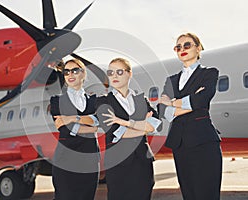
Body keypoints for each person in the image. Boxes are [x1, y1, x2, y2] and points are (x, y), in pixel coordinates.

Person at [158, 32, 222, 200]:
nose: (182, 49)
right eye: (178, 47)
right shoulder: (170, 80)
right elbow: (162, 110)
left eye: (187, 45)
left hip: (204, 141)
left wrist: (172, 103)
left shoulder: (209, 73)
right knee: (189, 194)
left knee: (207, 193)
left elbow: (202, 100)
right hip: (180, 144)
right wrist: (190, 102)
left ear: (198, 48)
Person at [96, 58, 161, 200]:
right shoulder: (103, 101)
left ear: (129, 74)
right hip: (118, 163)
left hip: (142, 161)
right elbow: (117, 133)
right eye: (111, 72)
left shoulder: (141, 100)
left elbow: (155, 125)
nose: (114, 76)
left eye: (119, 72)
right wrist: (143, 126)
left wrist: (125, 123)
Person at [50, 59, 100, 200]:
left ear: (83, 74)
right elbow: (63, 128)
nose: (70, 74)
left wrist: (72, 118)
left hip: (89, 159)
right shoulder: (56, 101)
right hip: (65, 159)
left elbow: (97, 122)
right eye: (66, 72)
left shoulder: (94, 100)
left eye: (75, 70)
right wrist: (91, 127)